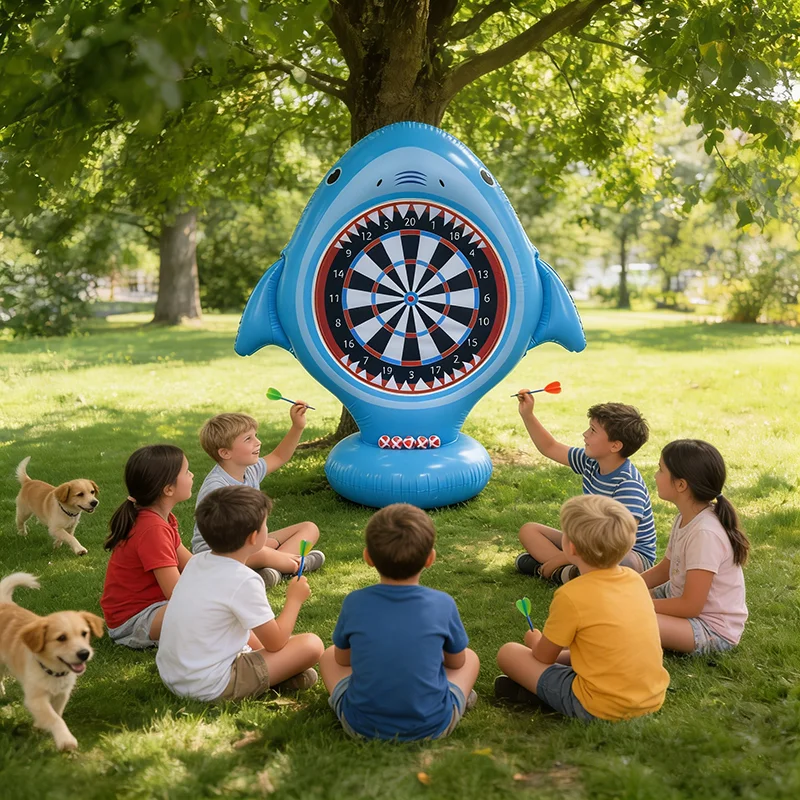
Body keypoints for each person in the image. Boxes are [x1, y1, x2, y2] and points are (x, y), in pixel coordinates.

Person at [495, 494, 669, 721]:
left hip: (597, 706)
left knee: (509, 653)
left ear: (571, 548)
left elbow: (543, 656)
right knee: (570, 656)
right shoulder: (636, 581)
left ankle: (541, 696)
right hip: (651, 698)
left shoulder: (571, 595)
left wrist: (534, 640)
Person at [319, 503, 480, 741]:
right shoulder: (442, 604)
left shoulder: (354, 602)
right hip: (433, 727)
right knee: (471, 658)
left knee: (328, 655)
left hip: (361, 727)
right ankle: (458, 698)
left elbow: (342, 660)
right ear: (430, 558)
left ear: (368, 558)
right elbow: (456, 663)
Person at [157, 485, 324, 701]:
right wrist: (295, 599)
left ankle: (282, 676)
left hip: (175, 675)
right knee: (311, 644)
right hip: (211, 685)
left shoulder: (197, 561)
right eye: (265, 524)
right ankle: (276, 677)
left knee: (266, 638)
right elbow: (276, 642)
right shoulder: (243, 580)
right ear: (254, 537)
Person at [515, 395, 656, 583]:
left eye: (593, 430)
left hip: (624, 554)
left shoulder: (628, 485)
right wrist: (528, 415)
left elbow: (618, 543)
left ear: (615, 445)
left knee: (620, 561)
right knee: (529, 530)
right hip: (589, 544)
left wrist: (558, 559)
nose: (585, 434)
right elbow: (550, 447)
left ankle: (556, 570)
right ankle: (567, 573)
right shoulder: (590, 461)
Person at [191, 411, 324, 588]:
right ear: (225, 452)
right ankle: (297, 564)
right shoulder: (217, 487)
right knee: (263, 554)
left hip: (248, 543)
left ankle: (271, 571)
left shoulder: (250, 469)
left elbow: (279, 456)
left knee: (309, 528)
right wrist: (264, 548)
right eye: (248, 439)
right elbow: (227, 542)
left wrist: (297, 426)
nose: (258, 442)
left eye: (256, 436)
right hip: (218, 554)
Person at [642, 439, 749, 655]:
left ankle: (568, 658)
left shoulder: (705, 533)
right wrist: (626, 585)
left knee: (627, 618)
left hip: (711, 630)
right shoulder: (686, 518)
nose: (655, 475)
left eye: (661, 470)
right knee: (612, 603)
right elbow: (665, 569)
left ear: (681, 485)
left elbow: (690, 606)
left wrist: (637, 602)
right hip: (678, 597)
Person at [100, 445, 194, 648]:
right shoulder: (152, 530)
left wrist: (223, 577)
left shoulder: (160, 520)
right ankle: (258, 651)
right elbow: (177, 595)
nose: (192, 475)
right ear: (168, 489)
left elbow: (192, 566)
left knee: (214, 601)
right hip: (134, 622)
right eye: (186, 472)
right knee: (208, 609)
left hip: (155, 609)